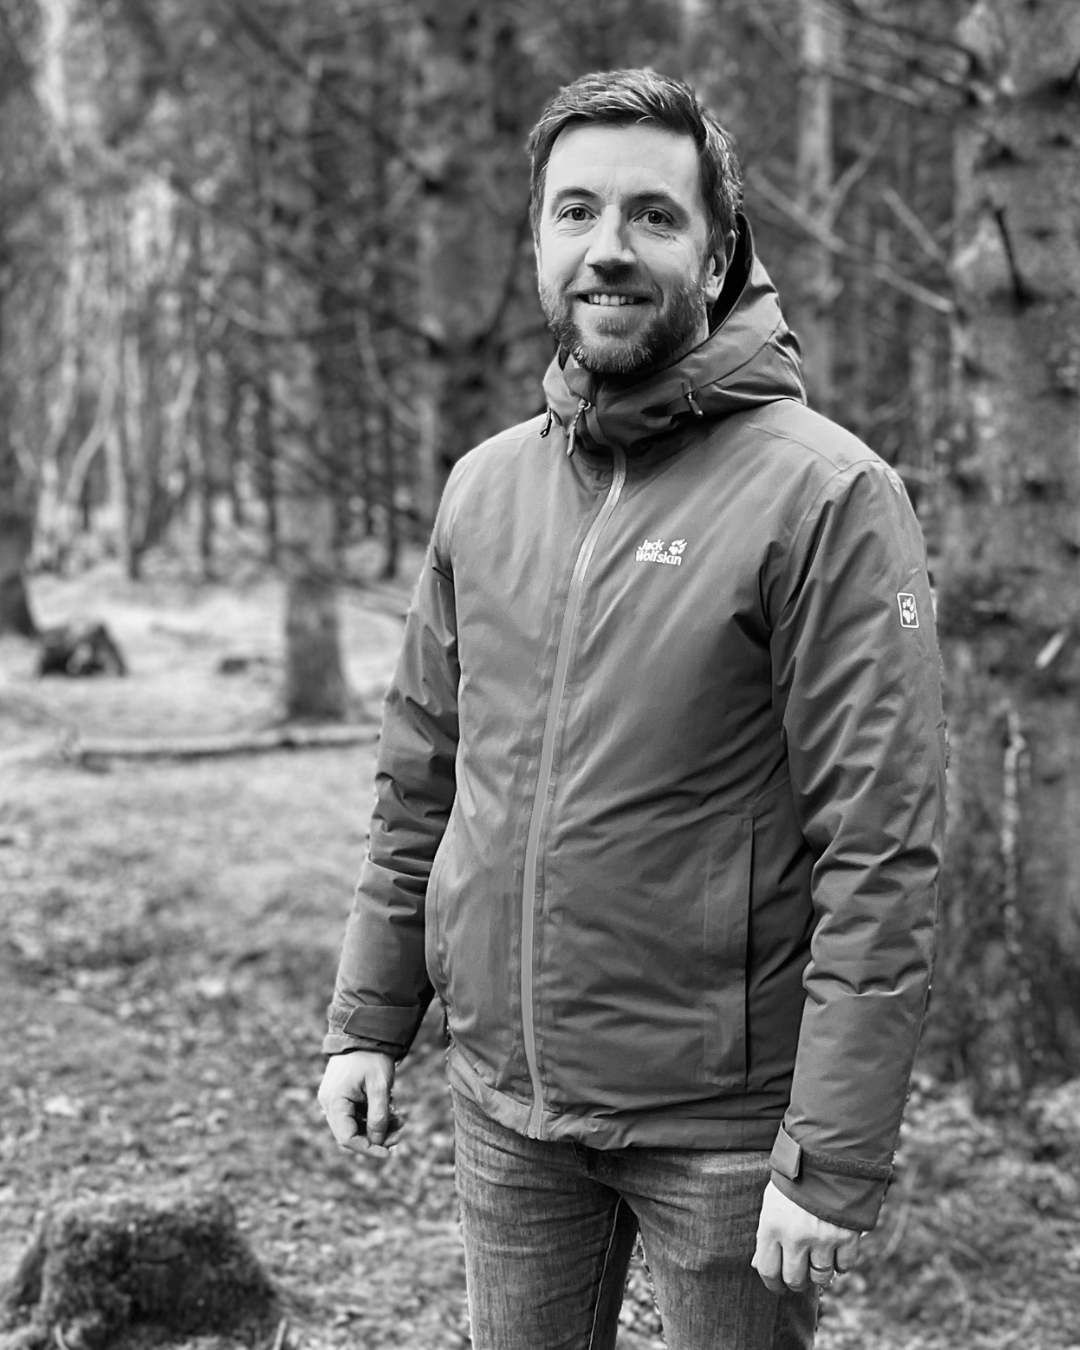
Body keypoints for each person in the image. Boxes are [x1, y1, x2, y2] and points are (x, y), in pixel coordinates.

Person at [319, 67, 946, 1350]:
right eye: (577, 212)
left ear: (716, 256)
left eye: (653, 216)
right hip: (508, 1108)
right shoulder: (486, 487)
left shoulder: (827, 496)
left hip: (724, 1134)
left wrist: (832, 1152)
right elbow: (422, 780)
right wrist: (370, 1020)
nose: (609, 247)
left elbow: (880, 849)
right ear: (539, 243)